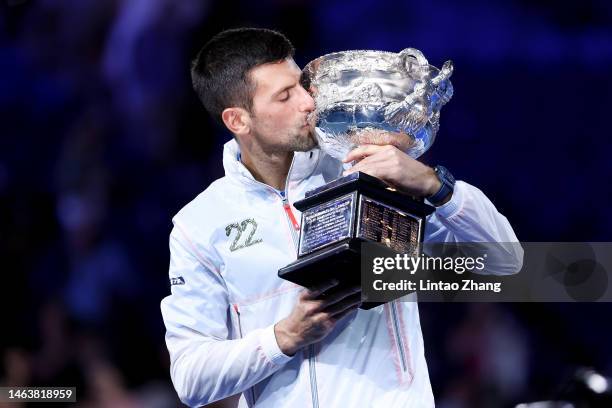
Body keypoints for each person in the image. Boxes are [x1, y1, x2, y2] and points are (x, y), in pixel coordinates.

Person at [160, 27, 523, 407]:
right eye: (285, 96)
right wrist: (284, 337)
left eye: (302, 85)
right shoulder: (200, 224)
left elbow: (504, 262)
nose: (307, 103)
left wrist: (434, 184)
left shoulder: (368, 167)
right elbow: (191, 379)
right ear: (238, 120)